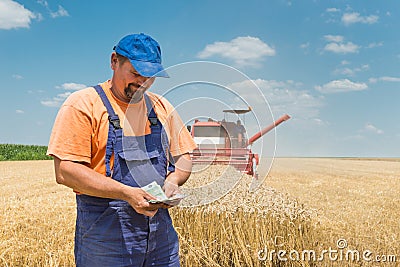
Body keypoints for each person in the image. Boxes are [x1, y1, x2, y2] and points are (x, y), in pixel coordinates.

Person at [47, 33, 197, 267]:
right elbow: (65, 171)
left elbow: (184, 156)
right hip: (105, 239)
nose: (143, 83)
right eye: (136, 73)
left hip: (161, 238)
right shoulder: (84, 104)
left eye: (150, 77)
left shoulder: (161, 107)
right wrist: (128, 193)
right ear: (114, 61)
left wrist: (174, 180)